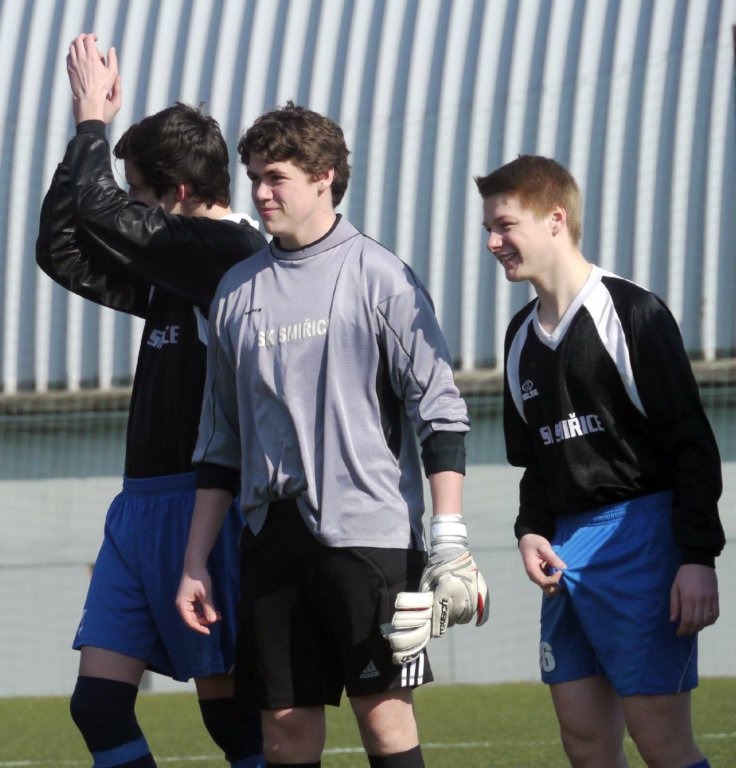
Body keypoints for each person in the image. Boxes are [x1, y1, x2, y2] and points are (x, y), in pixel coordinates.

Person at [175, 101, 489, 768]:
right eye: (254, 178)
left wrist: (450, 539)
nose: (261, 193)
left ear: (324, 177)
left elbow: (440, 412)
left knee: (385, 720)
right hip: (271, 540)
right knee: (284, 730)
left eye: (276, 177)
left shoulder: (382, 277)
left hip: (371, 539)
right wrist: (195, 561)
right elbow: (220, 445)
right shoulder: (235, 292)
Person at [36, 34, 267, 768]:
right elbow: (64, 249)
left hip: (199, 504)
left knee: (231, 714)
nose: (128, 203)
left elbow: (101, 213)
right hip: (138, 505)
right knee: (98, 706)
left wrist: (90, 121)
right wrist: (88, 138)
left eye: (137, 189)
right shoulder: (175, 262)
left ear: (179, 195)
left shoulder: (229, 255)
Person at [475, 154, 726, 768]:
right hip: (565, 548)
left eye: (505, 226)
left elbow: (692, 443)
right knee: (584, 740)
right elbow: (536, 462)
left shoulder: (632, 313)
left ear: (555, 219)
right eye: (489, 228)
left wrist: (697, 557)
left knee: (660, 740)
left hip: (642, 539)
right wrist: (530, 530)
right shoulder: (518, 338)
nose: (492, 243)